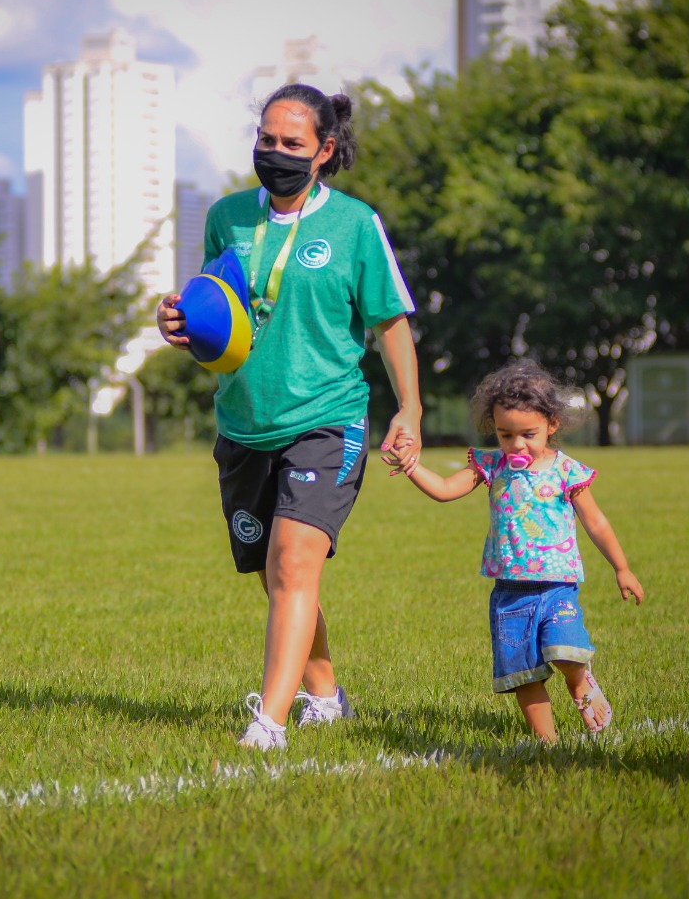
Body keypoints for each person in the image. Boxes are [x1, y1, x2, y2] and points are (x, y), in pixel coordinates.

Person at [157, 83, 422, 750]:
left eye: (291, 143)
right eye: (266, 140)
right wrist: (182, 325)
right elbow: (222, 320)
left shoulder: (355, 225)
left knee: (295, 558)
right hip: (246, 420)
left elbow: (389, 323)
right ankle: (326, 698)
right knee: (278, 574)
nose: (274, 153)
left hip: (329, 414)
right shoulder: (226, 218)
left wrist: (410, 409)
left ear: (325, 149)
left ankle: (269, 723)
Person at [386, 359, 644, 742]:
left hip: (558, 586)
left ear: (552, 424)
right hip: (509, 593)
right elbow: (443, 490)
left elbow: (596, 522)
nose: (517, 444)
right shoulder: (490, 465)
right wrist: (411, 466)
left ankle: (579, 681)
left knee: (565, 650)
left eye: (528, 433)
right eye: (506, 435)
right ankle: (548, 742)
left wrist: (621, 567)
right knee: (523, 672)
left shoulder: (566, 471)